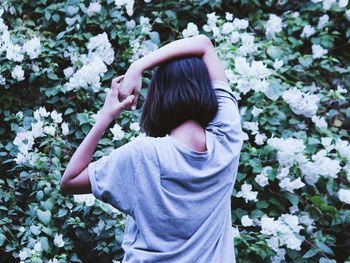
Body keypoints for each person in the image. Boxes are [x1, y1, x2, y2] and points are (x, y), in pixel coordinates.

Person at [60, 34, 244, 263]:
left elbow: (70, 181)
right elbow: (204, 45)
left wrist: (105, 117)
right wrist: (139, 66)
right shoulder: (227, 141)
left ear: (160, 94)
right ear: (206, 89)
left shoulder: (143, 155)